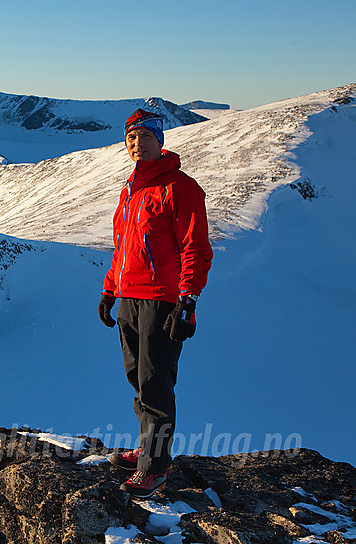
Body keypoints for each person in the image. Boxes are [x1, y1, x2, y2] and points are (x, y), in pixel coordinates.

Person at [98, 108, 213, 499]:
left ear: (160, 142)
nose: (137, 143)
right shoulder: (129, 190)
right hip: (130, 297)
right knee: (138, 379)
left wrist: (189, 300)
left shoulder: (180, 187)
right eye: (131, 138)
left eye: (145, 136)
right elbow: (123, 248)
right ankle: (148, 449)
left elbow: (195, 246)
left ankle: (155, 468)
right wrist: (109, 290)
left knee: (156, 383)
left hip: (162, 300)